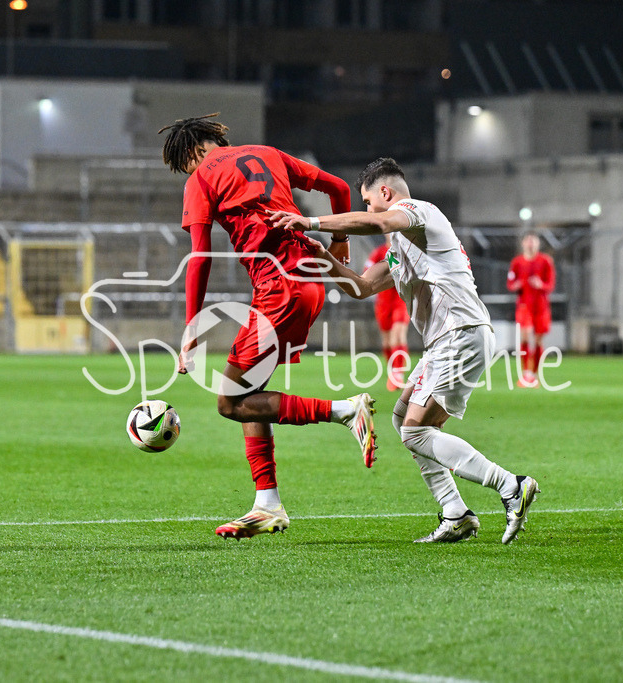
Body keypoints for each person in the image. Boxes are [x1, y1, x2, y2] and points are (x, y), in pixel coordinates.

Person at [270, 157, 539, 545]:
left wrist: (312, 221)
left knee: (416, 431)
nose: (365, 209)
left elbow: (378, 221)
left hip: (460, 333)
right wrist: (322, 255)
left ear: (385, 192)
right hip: (445, 341)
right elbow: (360, 287)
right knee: (403, 421)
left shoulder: (416, 212)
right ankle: (455, 513)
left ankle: (510, 485)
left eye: (366, 201)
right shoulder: (399, 244)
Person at [159, 113, 377, 540]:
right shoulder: (268, 153)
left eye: (184, 164)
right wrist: (340, 240)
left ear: (191, 152)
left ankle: (346, 411)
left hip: (280, 287)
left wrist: (191, 328)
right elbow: (339, 187)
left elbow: (200, 256)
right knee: (248, 394)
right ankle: (267, 504)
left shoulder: (200, 178)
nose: (188, 171)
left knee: (229, 402)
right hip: (309, 280)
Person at [507, 231, 555, 388]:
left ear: (538, 244)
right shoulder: (517, 262)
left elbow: (550, 284)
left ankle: (534, 375)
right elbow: (510, 283)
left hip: (541, 306)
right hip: (524, 306)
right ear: (523, 244)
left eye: (533, 241)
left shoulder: (546, 261)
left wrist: (541, 284)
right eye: (528, 240)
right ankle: (526, 374)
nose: (530, 243)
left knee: (539, 340)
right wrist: (516, 285)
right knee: (526, 336)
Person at [364, 237, 411, 392]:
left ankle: (399, 373)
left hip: (400, 298)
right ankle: (392, 371)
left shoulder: (403, 251)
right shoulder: (379, 253)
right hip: (383, 300)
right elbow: (367, 272)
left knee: (398, 333)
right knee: (386, 340)